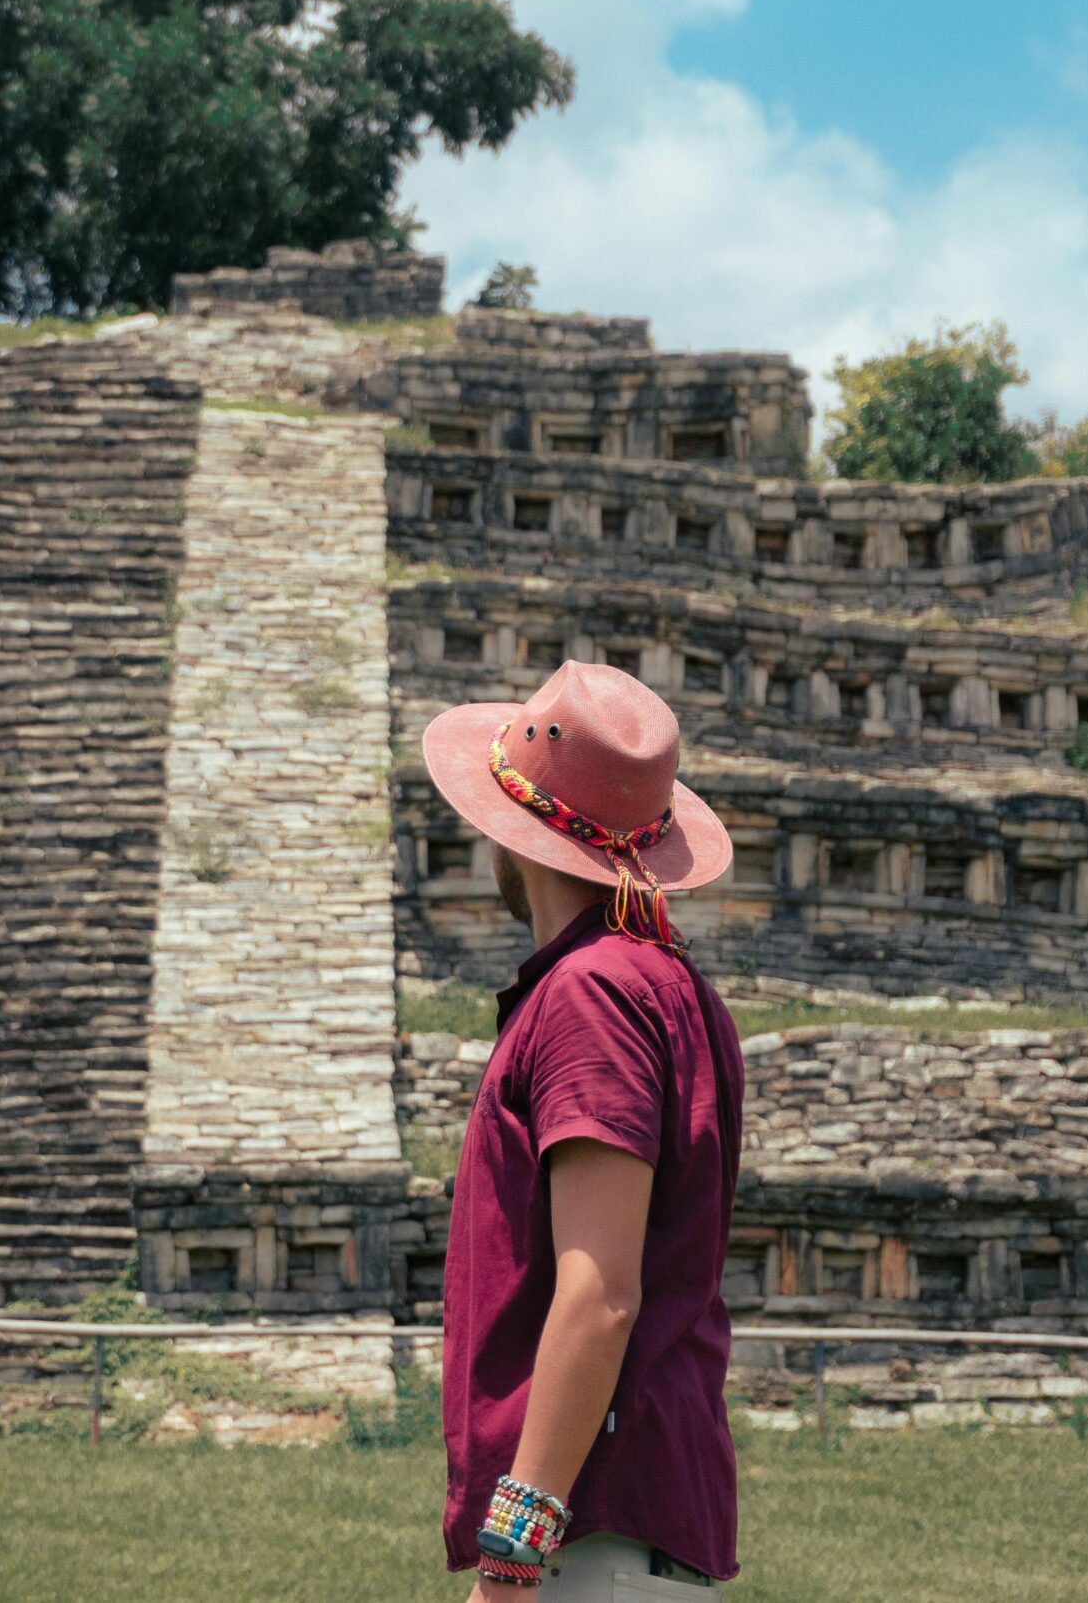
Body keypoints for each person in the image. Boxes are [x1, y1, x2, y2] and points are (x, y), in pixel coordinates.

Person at [422, 661, 745, 1598]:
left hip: (586, 1538)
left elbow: (600, 1293)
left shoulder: (592, 993)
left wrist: (512, 1556)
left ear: (511, 830)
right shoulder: (662, 984)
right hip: (619, 1530)